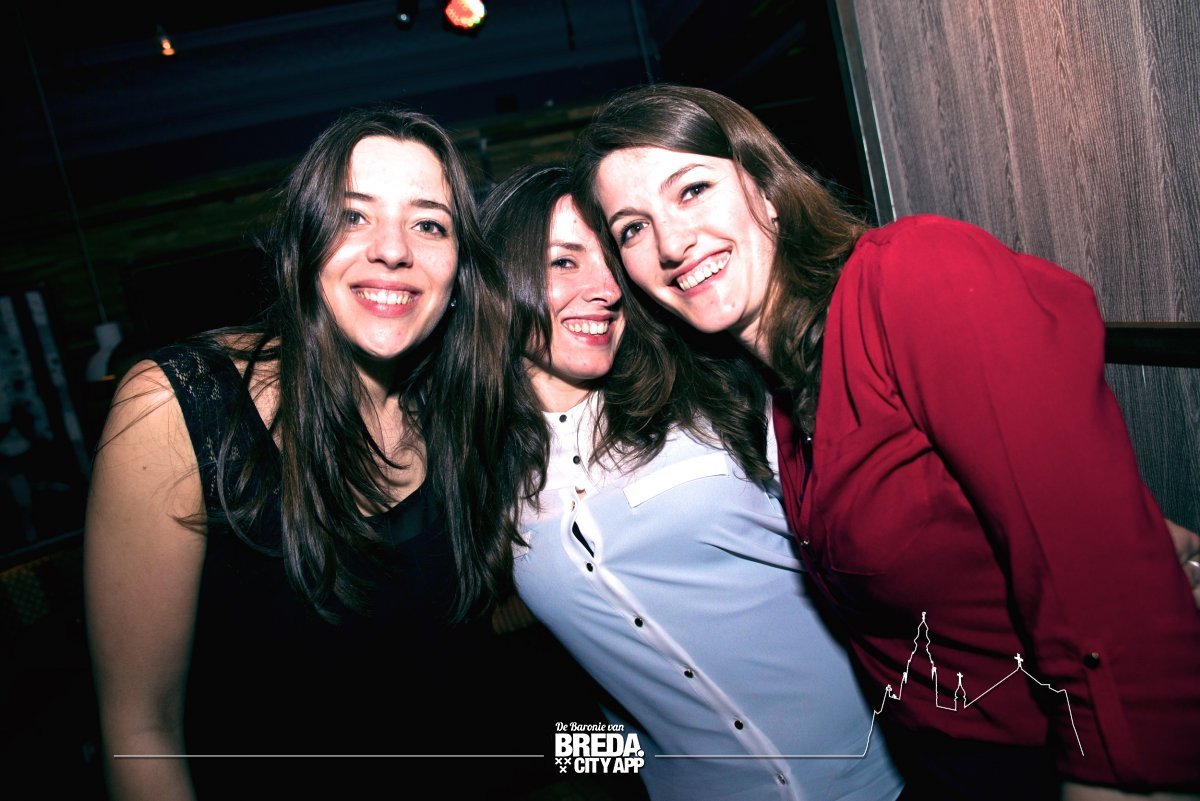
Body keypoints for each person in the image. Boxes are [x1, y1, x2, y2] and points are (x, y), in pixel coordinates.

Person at [569, 83, 1200, 800]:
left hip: (1062, 757)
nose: (672, 243)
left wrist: (1115, 775)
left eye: (693, 190)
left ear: (766, 189)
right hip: (941, 767)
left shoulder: (911, 276)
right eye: (633, 229)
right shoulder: (778, 397)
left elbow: (1088, 561)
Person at [84, 106, 533, 800]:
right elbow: (141, 729)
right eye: (353, 215)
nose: (393, 249)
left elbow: (485, 659)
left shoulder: (466, 409)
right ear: (303, 244)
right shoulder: (179, 405)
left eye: (429, 224)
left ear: (458, 274)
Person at [481, 164, 903, 801]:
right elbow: (585, 692)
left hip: (890, 774)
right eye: (563, 262)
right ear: (496, 282)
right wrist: (613, 774)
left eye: (613, 264)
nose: (605, 290)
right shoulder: (481, 474)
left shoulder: (716, 392)